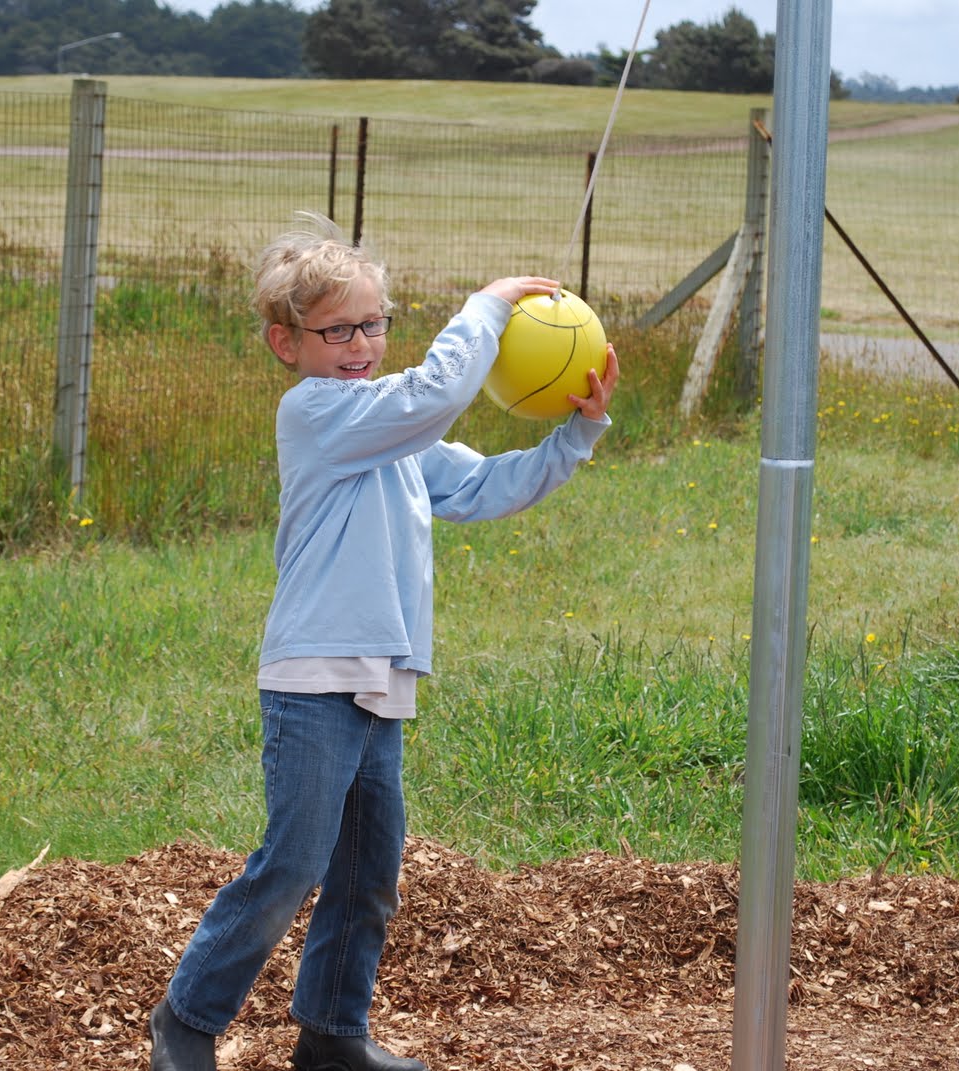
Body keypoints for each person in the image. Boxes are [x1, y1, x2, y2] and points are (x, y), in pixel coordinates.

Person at [147, 213, 619, 1071]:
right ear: (285, 344)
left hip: (381, 679)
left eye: (374, 323)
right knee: (292, 863)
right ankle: (186, 1018)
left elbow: (481, 484)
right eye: (337, 330)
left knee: (368, 871)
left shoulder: (394, 436)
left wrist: (576, 432)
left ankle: (332, 1033)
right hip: (314, 676)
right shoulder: (320, 412)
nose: (361, 344)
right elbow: (433, 393)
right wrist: (486, 306)